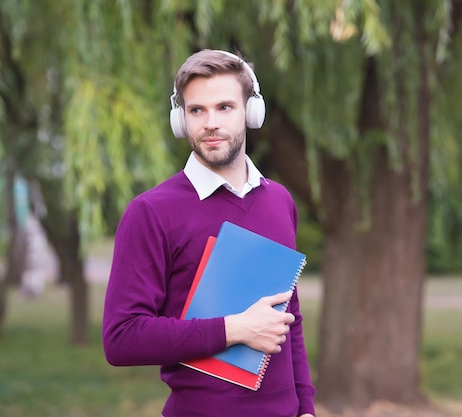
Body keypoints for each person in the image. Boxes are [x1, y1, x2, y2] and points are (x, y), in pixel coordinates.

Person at [102, 49, 316, 417]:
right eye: (196, 110)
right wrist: (232, 329)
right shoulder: (151, 212)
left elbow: (288, 319)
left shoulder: (280, 201)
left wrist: (306, 408)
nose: (210, 123)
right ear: (181, 119)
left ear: (251, 112)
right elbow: (121, 338)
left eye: (224, 107)